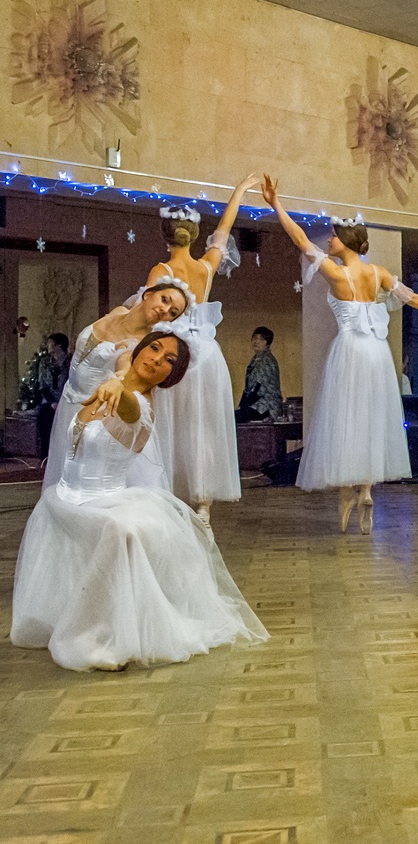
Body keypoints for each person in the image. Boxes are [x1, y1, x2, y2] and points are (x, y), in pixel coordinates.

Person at [11, 331, 268, 671]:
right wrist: (117, 377)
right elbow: (121, 360)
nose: (157, 359)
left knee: (120, 530)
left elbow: (130, 410)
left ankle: (90, 635)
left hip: (104, 501)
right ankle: (70, 617)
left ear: (170, 376)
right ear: (139, 351)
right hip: (63, 498)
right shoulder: (114, 379)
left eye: (169, 361)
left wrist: (120, 388)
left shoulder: (142, 408)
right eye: (154, 348)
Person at [263, 176, 418, 532]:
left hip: (350, 349)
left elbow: (301, 239)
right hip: (377, 353)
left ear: (346, 241)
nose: (329, 240)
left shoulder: (336, 273)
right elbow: (412, 297)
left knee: (345, 419)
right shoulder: (377, 273)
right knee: (370, 418)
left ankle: (346, 498)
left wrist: (276, 204)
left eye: (334, 236)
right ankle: (366, 489)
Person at [141, 175, 259, 527]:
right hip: (206, 355)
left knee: (169, 427)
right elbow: (223, 231)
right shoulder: (206, 266)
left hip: (175, 356)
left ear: (165, 236)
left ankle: (170, 497)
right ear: (194, 236)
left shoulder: (162, 270)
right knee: (202, 429)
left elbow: (149, 314)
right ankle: (203, 504)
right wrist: (239, 191)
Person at [42, 281, 192, 492]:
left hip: (94, 409)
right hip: (69, 400)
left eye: (172, 312)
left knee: (88, 481)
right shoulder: (118, 311)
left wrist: (119, 378)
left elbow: (125, 366)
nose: (165, 310)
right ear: (148, 294)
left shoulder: (143, 344)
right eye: (164, 300)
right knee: (65, 473)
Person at [34, 333, 71, 461]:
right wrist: (53, 402)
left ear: (58, 345)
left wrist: (62, 401)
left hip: (66, 400)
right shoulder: (44, 362)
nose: (48, 346)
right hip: (49, 402)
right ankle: (46, 458)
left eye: (50, 343)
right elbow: (42, 385)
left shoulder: (70, 362)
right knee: (45, 420)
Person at [236, 326, 284, 422]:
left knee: (234, 417)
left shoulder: (267, 360)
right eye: (255, 338)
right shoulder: (255, 359)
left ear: (267, 344)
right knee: (234, 415)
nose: (256, 342)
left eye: (261, 339)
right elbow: (249, 389)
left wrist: (243, 406)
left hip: (267, 406)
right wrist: (241, 405)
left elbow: (259, 389)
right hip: (257, 404)